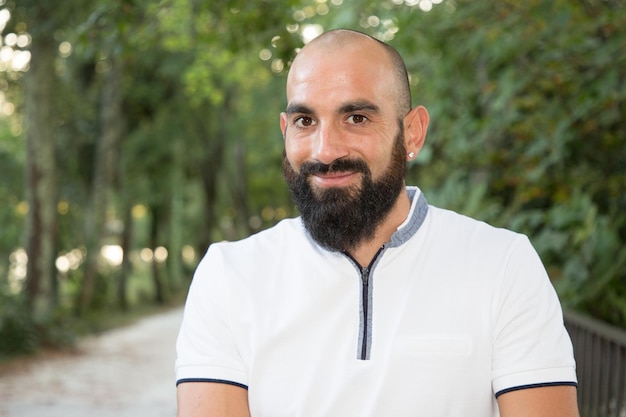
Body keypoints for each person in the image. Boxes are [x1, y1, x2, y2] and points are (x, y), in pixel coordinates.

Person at [175, 29, 579, 417]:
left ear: (412, 133)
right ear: (286, 131)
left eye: (356, 118)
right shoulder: (229, 276)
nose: (326, 150)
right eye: (305, 121)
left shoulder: (503, 265)